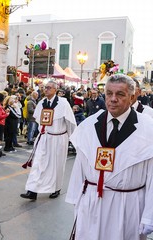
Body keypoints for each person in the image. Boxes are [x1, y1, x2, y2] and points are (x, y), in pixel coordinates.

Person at [66, 74, 153, 240]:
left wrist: (149, 216)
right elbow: (80, 165)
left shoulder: (148, 128)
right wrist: (76, 199)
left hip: (127, 206)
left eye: (120, 94)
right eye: (109, 94)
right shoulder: (88, 125)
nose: (113, 99)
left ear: (132, 96)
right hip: (92, 202)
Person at [20, 81, 76, 200]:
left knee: (56, 165)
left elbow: (70, 123)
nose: (46, 90)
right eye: (45, 88)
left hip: (59, 138)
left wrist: (73, 139)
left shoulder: (63, 103)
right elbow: (38, 120)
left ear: (55, 90)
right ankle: (32, 191)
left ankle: (56, 188)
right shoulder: (41, 103)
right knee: (38, 163)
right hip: (44, 137)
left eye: (49, 88)